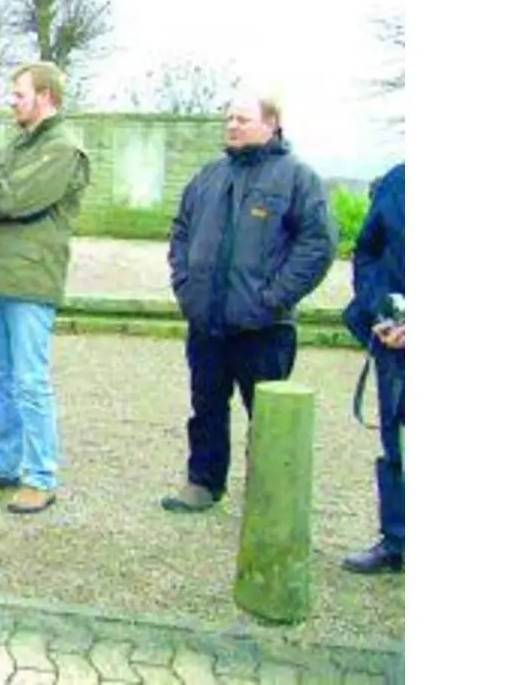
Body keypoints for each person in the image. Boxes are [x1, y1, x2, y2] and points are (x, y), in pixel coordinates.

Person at [162, 91, 336, 513]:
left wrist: (273, 298)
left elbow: (318, 244)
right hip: (207, 321)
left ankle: (269, 497)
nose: (233, 126)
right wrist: (186, 285)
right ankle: (203, 483)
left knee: (268, 416)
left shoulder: (297, 179)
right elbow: (181, 232)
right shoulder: (208, 177)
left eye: (242, 118)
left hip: (264, 327)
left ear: (272, 122)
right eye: (229, 119)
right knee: (205, 406)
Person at [0, 62, 92, 514]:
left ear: (46, 96)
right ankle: (3, 461)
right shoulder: (17, 145)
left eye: (19, 93)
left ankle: (40, 474)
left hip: (31, 278)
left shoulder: (63, 149)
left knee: (30, 380)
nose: (12, 101)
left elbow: (14, 197)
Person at [340, 162, 405, 573]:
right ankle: (398, 538)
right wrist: (381, 311)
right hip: (395, 342)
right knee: (397, 442)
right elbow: (368, 252)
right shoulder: (400, 180)